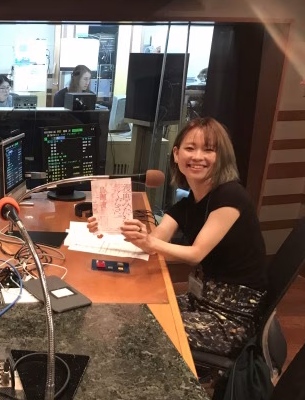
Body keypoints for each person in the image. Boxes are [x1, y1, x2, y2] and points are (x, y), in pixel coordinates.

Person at [87, 117, 267, 358]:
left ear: (221, 156)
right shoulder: (187, 204)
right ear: (176, 154)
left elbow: (195, 254)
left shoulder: (231, 196)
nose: (197, 157)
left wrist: (149, 242)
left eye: (208, 150)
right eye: (190, 148)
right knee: (126, 310)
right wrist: (115, 227)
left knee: (137, 330)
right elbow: (153, 244)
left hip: (231, 317)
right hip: (199, 300)